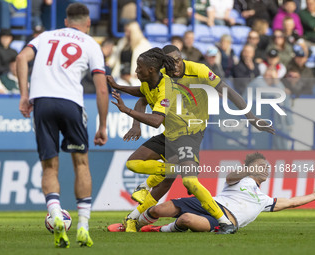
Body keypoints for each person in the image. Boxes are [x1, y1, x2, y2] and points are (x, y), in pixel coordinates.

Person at [107, 46, 274, 234]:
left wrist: (251, 118)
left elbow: (228, 91)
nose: (175, 65)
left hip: (190, 133)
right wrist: (135, 124)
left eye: (178, 60)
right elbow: (144, 96)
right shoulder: (160, 74)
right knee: (163, 178)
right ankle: (133, 220)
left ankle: (223, 221)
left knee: (188, 182)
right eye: (170, 62)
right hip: (170, 132)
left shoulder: (199, 71)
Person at [16, 3, 108, 248]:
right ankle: (84, 226)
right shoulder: (90, 44)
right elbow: (101, 88)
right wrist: (103, 125)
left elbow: (21, 57)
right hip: (71, 104)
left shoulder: (45, 36)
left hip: (42, 102)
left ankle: (56, 214)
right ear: (87, 24)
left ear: (66, 22)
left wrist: (24, 95)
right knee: (81, 163)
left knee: (49, 166)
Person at [119, 152, 315, 233]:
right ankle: (133, 225)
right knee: (158, 209)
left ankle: (158, 230)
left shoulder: (265, 199)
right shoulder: (242, 178)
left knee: (186, 219)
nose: (265, 169)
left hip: (226, 220)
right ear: (249, 167)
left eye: (266, 167)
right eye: (260, 165)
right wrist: (249, 169)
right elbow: (230, 177)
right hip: (210, 204)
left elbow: (292, 202)